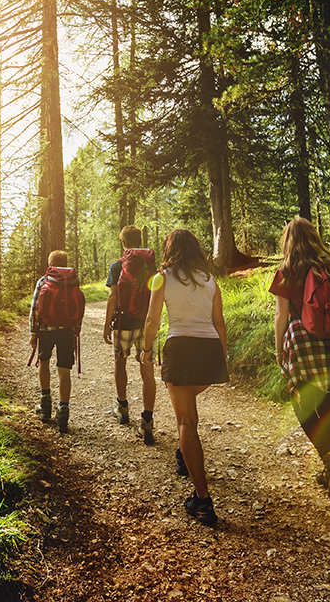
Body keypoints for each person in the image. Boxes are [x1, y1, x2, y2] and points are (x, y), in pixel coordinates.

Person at [269, 217, 330, 502]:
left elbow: (281, 316)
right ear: (314, 237)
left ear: (288, 240)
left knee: (305, 408)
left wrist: (278, 350)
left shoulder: (285, 271)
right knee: (329, 407)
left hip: (303, 340)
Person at [141, 229, 229, 527]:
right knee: (190, 414)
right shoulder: (209, 278)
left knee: (186, 423)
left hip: (180, 349)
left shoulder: (162, 276)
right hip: (209, 351)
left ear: (169, 249)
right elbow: (218, 321)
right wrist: (222, 356)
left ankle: (203, 501)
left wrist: (146, 350)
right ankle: (187, 461)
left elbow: (153, 320)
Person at [102, 225, 157, 445]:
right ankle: (147, 420)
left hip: (124, 322)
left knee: (120, 363)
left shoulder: (117, 266)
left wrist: (107, 324)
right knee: (147, 369)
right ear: (140, 240)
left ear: (123, 243)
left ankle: (122, 408)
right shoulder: (151, 266)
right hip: (146, 324)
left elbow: (113, 297)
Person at [29, 250, 86, 434]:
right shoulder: (73, 281)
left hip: (46, 329)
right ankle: (63, 413)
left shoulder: (43, 280)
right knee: (64, 370)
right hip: (67, 330)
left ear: (51, 264)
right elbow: (78, 303)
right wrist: (76, 327)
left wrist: (32, 332)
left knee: (43, 363)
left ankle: (45, 406)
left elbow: (35, 307)